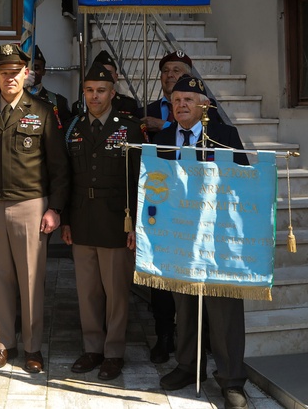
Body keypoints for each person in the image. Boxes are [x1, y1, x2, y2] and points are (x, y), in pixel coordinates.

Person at [0, 42, 70, 374]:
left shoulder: (42, 111)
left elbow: (58, 166)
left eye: (15, 73)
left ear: (26, 74)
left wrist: (55, 208)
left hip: (31, 204)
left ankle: (32, 347)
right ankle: (3, 345)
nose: (9, 78)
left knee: (31, 279)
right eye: (3, 73)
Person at [153, 75, 250, 409]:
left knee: (223, 311)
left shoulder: (225, 136)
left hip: (219, 238)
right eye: (177, 100)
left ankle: (232, 380)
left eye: (189, 100)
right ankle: (188, 366)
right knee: (185, 305)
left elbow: (243, 186)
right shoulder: (163, 138)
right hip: (179, 237)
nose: (181, 105)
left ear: (205, 105)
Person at [61, 62, 146, 381]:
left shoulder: (130, 128)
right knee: (88, 291)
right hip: (82, 218)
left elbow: (141, 180)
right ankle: (92, 348)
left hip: (116, 220)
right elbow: (66, 177)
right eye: (88, 91)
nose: (94, 97)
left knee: (116, 292)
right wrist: (66, 219)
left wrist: (136, 224)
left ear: (112, 93)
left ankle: (113, 352)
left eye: (100, 91)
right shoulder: (74, 127)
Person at [137, 50, 193, 363]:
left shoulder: (211, 119)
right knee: (160, 277)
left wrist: (166, 127)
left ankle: (195, 336)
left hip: (192, 211)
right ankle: (164, 335)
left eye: (177, 70)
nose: (170, 75)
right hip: (159, 207)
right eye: (166, 71)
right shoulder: (143, 111)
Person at [27, 45, 72, 128]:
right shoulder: (13, 98)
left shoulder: (58, 102)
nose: (32, 72)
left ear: (43, 71)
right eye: (28, 68)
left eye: (36, 68)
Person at [91, 49, 139, 116]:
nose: (104, 76)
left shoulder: (128, 104)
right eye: (101, 72)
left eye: (109, 73)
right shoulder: (82, 105)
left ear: (116, 77)